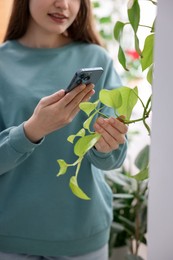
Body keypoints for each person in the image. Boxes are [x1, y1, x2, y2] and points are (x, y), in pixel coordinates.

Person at [0, 0, 128, 259]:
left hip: (83, 235)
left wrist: (107, 145)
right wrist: (32, 130)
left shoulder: (97, 59)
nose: (63, 4)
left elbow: (114, 158)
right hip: (11, 234)